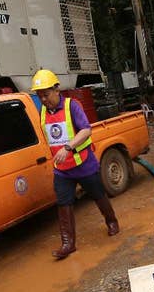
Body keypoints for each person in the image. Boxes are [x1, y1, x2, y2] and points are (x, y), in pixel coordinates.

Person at [31, 69, 119, 260]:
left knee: (97, 195)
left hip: (83, 164)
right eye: (40, 96)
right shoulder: (43, 112)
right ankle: (68, 244)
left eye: (46, 95)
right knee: (64, 204)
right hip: (62, 170)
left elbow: (86, 130)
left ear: (56, 89)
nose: (43, 99)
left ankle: (112, 221)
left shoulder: (72, 106)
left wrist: (68, 147)